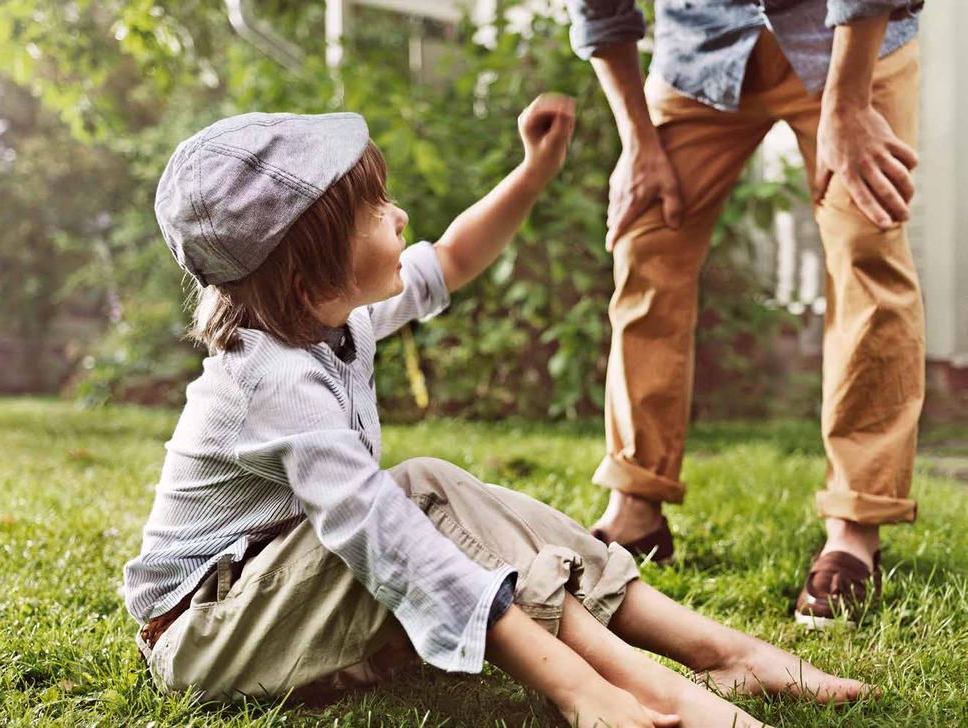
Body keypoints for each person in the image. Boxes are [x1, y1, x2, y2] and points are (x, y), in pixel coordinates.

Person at [124, 96, 867, 727]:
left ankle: (721, 652)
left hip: (273, 595)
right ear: (309, 260)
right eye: (374, 209)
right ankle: (628, 689)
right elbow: (386, 540)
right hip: (206, 637)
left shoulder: (327, 321)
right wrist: (575, 691)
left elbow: (449, 258)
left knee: (451, 493)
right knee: (419, 494)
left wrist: (533, 170)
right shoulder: (273, 382)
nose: (399, 214)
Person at [565, 0, 926, 627]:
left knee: (867, 242)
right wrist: (636, 140)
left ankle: (856, 523)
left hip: (848, 38)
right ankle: (636, 505)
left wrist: (846, 106)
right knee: (647, 234)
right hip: (700, 52)